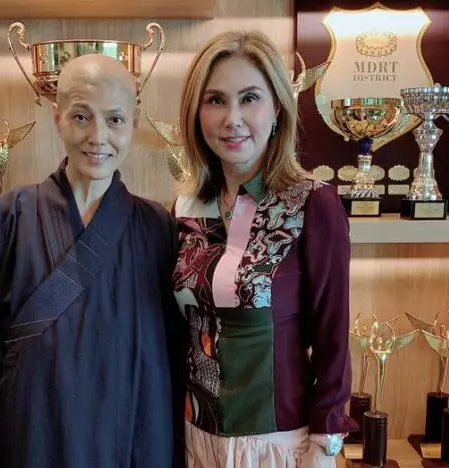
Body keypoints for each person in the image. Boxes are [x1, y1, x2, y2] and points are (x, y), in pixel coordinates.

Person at [0, 53, 185, 468]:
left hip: (129, 446)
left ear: (134, 121)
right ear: (56, 117)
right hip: (32, 446)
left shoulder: (156, 228)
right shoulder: (6, 220)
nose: (98, 137)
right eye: (80, 117)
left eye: (114, 119)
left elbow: (171, 364)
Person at [171, 30, 357, 467]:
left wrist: (323, 447)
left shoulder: (312, 204)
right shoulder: (183, 208)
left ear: (276, 108)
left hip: (278, 445)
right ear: (196, 113)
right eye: (215, 100)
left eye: (249, 98)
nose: (232, 119)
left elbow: (332, 338)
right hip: (194, 438)